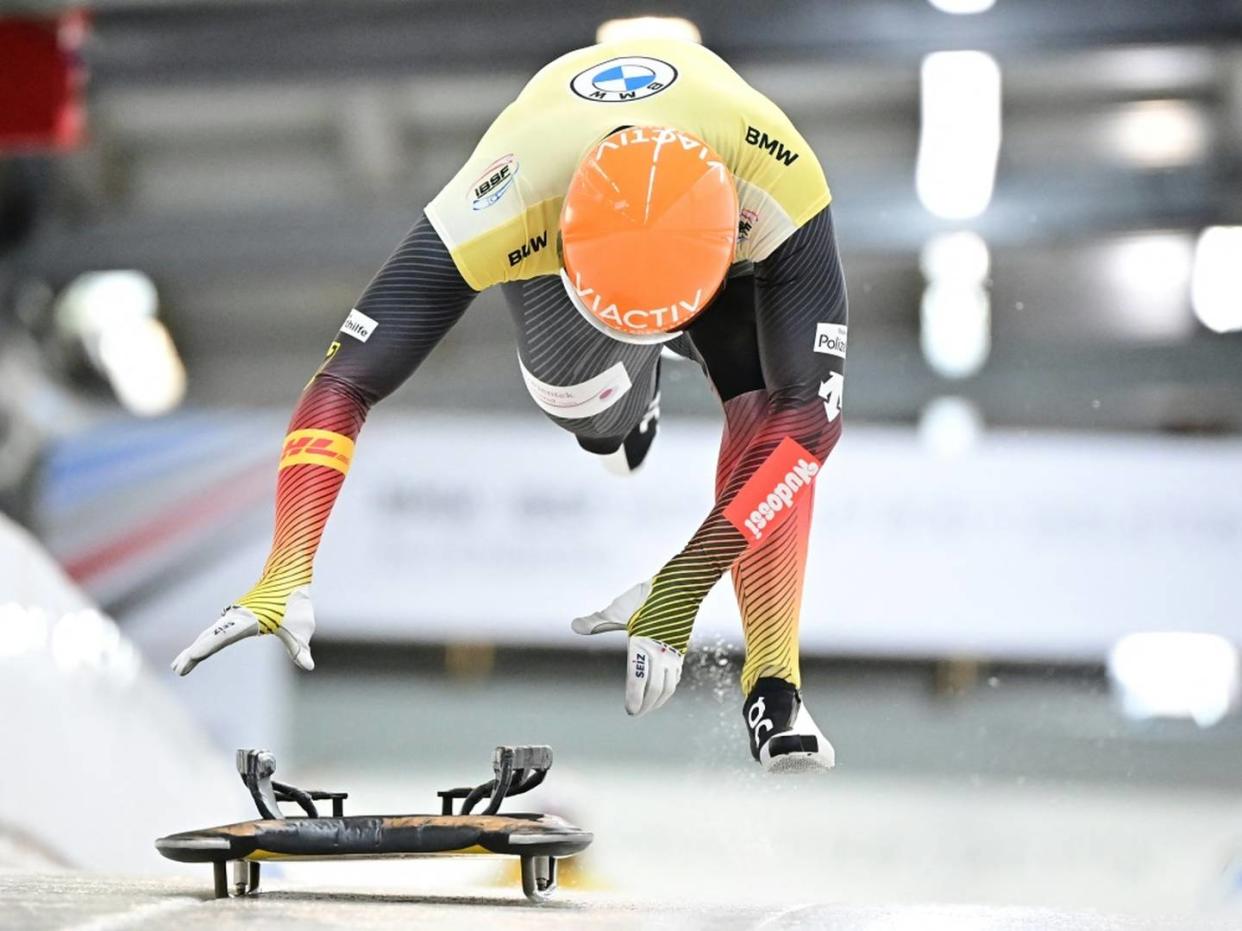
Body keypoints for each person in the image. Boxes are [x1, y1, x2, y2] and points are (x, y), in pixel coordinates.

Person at [172, 37, 848, 773]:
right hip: (580, 256)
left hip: (727, 269)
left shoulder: (782, 181)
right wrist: (286, 565)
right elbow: (344, 381)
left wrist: (685, 581)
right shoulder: (499, 201)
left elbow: (808, 429)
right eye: (637, 325)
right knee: (581, 399)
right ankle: (625, 402)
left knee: (777, 417)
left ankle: (777, 685)